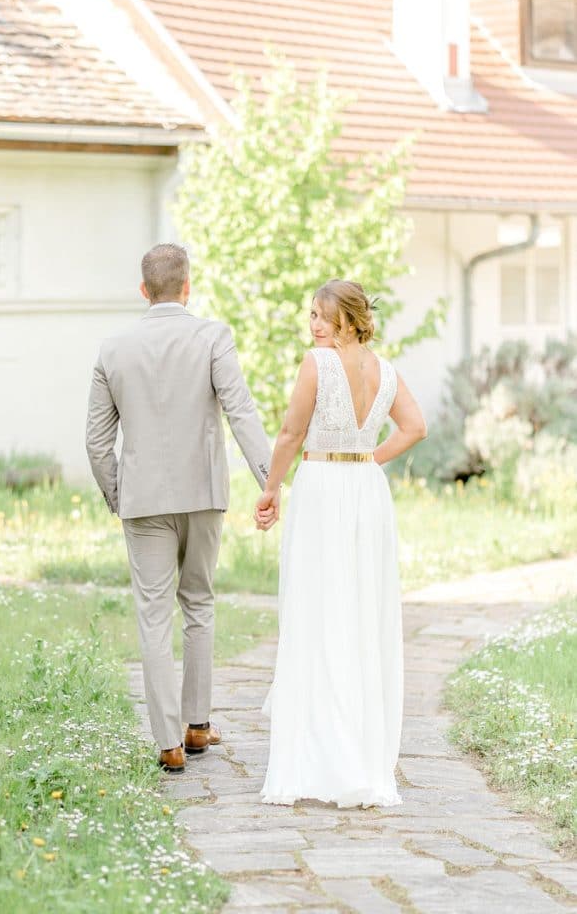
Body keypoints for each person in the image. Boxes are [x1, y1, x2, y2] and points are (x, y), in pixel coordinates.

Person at [85, 243, 274, 774]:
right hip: (204, 495)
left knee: (152, 616)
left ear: (143, 291)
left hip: (143, 502)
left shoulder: (113, 348)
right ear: (187, 287)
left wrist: (120, 496)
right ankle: (197, 724)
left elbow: (97, 443)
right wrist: (270, 481)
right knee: (200, 605)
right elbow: (241, 412)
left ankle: (168, 741)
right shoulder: (213, 336)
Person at [254, 279, 427, 807]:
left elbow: (289, 434)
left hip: (323, 488)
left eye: (323, 316)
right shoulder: (386, 371)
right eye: (311, 315)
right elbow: (414, 427)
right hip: (365, 494)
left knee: (316, 611)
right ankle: (361, 757)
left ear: (349, 319)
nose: (314, 325)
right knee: (359, 614)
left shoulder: (317, 363)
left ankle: (319, 759)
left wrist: (270, 489)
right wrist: (368, 461)